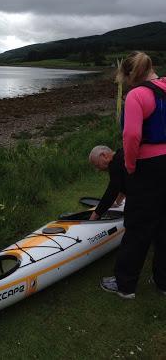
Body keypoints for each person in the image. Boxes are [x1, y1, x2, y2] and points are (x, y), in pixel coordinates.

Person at [101, 51, 166, 299]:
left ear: (131, 74)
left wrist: (129, 165)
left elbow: (131, 136)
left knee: (138, 225)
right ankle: (163, 282)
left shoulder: (137, 95)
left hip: (148, 167)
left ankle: (124, 284)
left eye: (125, 78)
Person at [88, 146, 126, 221]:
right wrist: (117, 202)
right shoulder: (121, 155)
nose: (98, 169)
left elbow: (112, 191)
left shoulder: (115, 163)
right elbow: (123, 182)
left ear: (104, 155)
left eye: (97, 165)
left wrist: (94, 216)